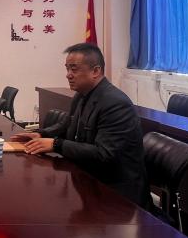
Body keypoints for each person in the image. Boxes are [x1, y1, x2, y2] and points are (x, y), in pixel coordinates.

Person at [12, 42, 147, 207]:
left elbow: (105, 154)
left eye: (74, 69)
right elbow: (66, 125)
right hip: (88, 178)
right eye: (67, 69)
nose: (68, 75)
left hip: (117, 194)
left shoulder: (115, 103)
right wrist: (41, 134)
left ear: (95, 71)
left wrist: (56, 145)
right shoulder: (82, 95)